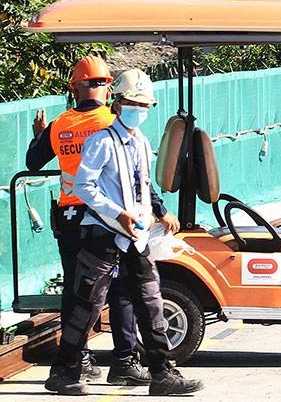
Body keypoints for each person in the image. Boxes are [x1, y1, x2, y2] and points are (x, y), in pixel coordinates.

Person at [45, 69, 203, 396]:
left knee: (150, 301)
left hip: (135, 236)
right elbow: (84, 186)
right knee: (87, 304)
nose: (139, 110)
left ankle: (162, 372)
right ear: (118, 103)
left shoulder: (140, 143)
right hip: (103, 233)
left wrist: (158, 212)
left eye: (144, 105)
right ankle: (63, 370)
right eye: (133, 102)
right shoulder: (100, 142)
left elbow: (141, 185)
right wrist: (117, 214)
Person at [27, 56, 170, 389]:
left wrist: (39, 137)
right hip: (108, 220)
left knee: (80, 295)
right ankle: (124, 361)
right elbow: (138, 181)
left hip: (70, 219)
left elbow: (33, 161)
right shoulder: (113, 123)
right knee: (122, 292)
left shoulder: (61, 124)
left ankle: (80, 361)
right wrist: (159, 211)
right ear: (109, 90)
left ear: (74, 88)